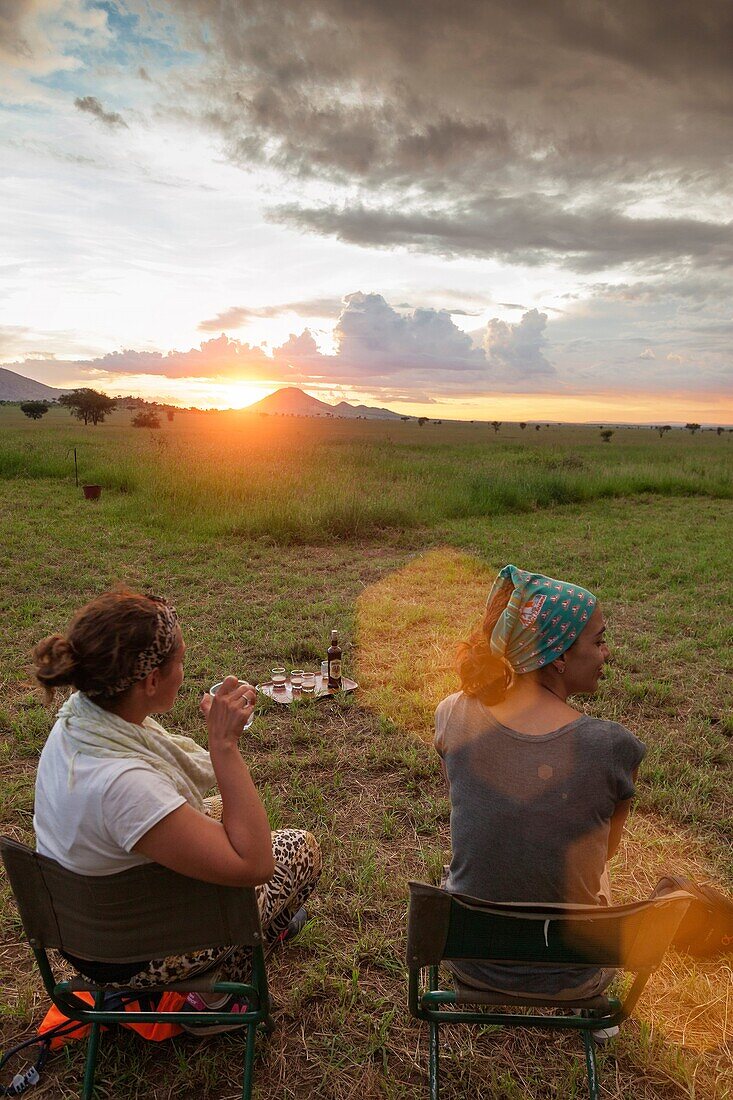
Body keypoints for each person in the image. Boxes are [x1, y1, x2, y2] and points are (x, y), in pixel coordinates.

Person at [32, 587, 321, 1032]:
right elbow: (256, 863)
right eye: (181, 661)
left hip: (81, 930)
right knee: (296, 849)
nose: (184, 673)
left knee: (222, 808)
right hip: (131, 954)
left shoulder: (79, 722)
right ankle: (213, 1000)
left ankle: (250, 944)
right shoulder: (124, 785)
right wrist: (224, 747)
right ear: (149, 681)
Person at [435, 564, 645, 1022]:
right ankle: (595, 1020)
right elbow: (605, 854)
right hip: (573, 974)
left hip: (473, 960)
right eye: (599, 640)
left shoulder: (454, 715)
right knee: (595, 872)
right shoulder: (612, 746)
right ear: (559, 658)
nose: (606, 653)